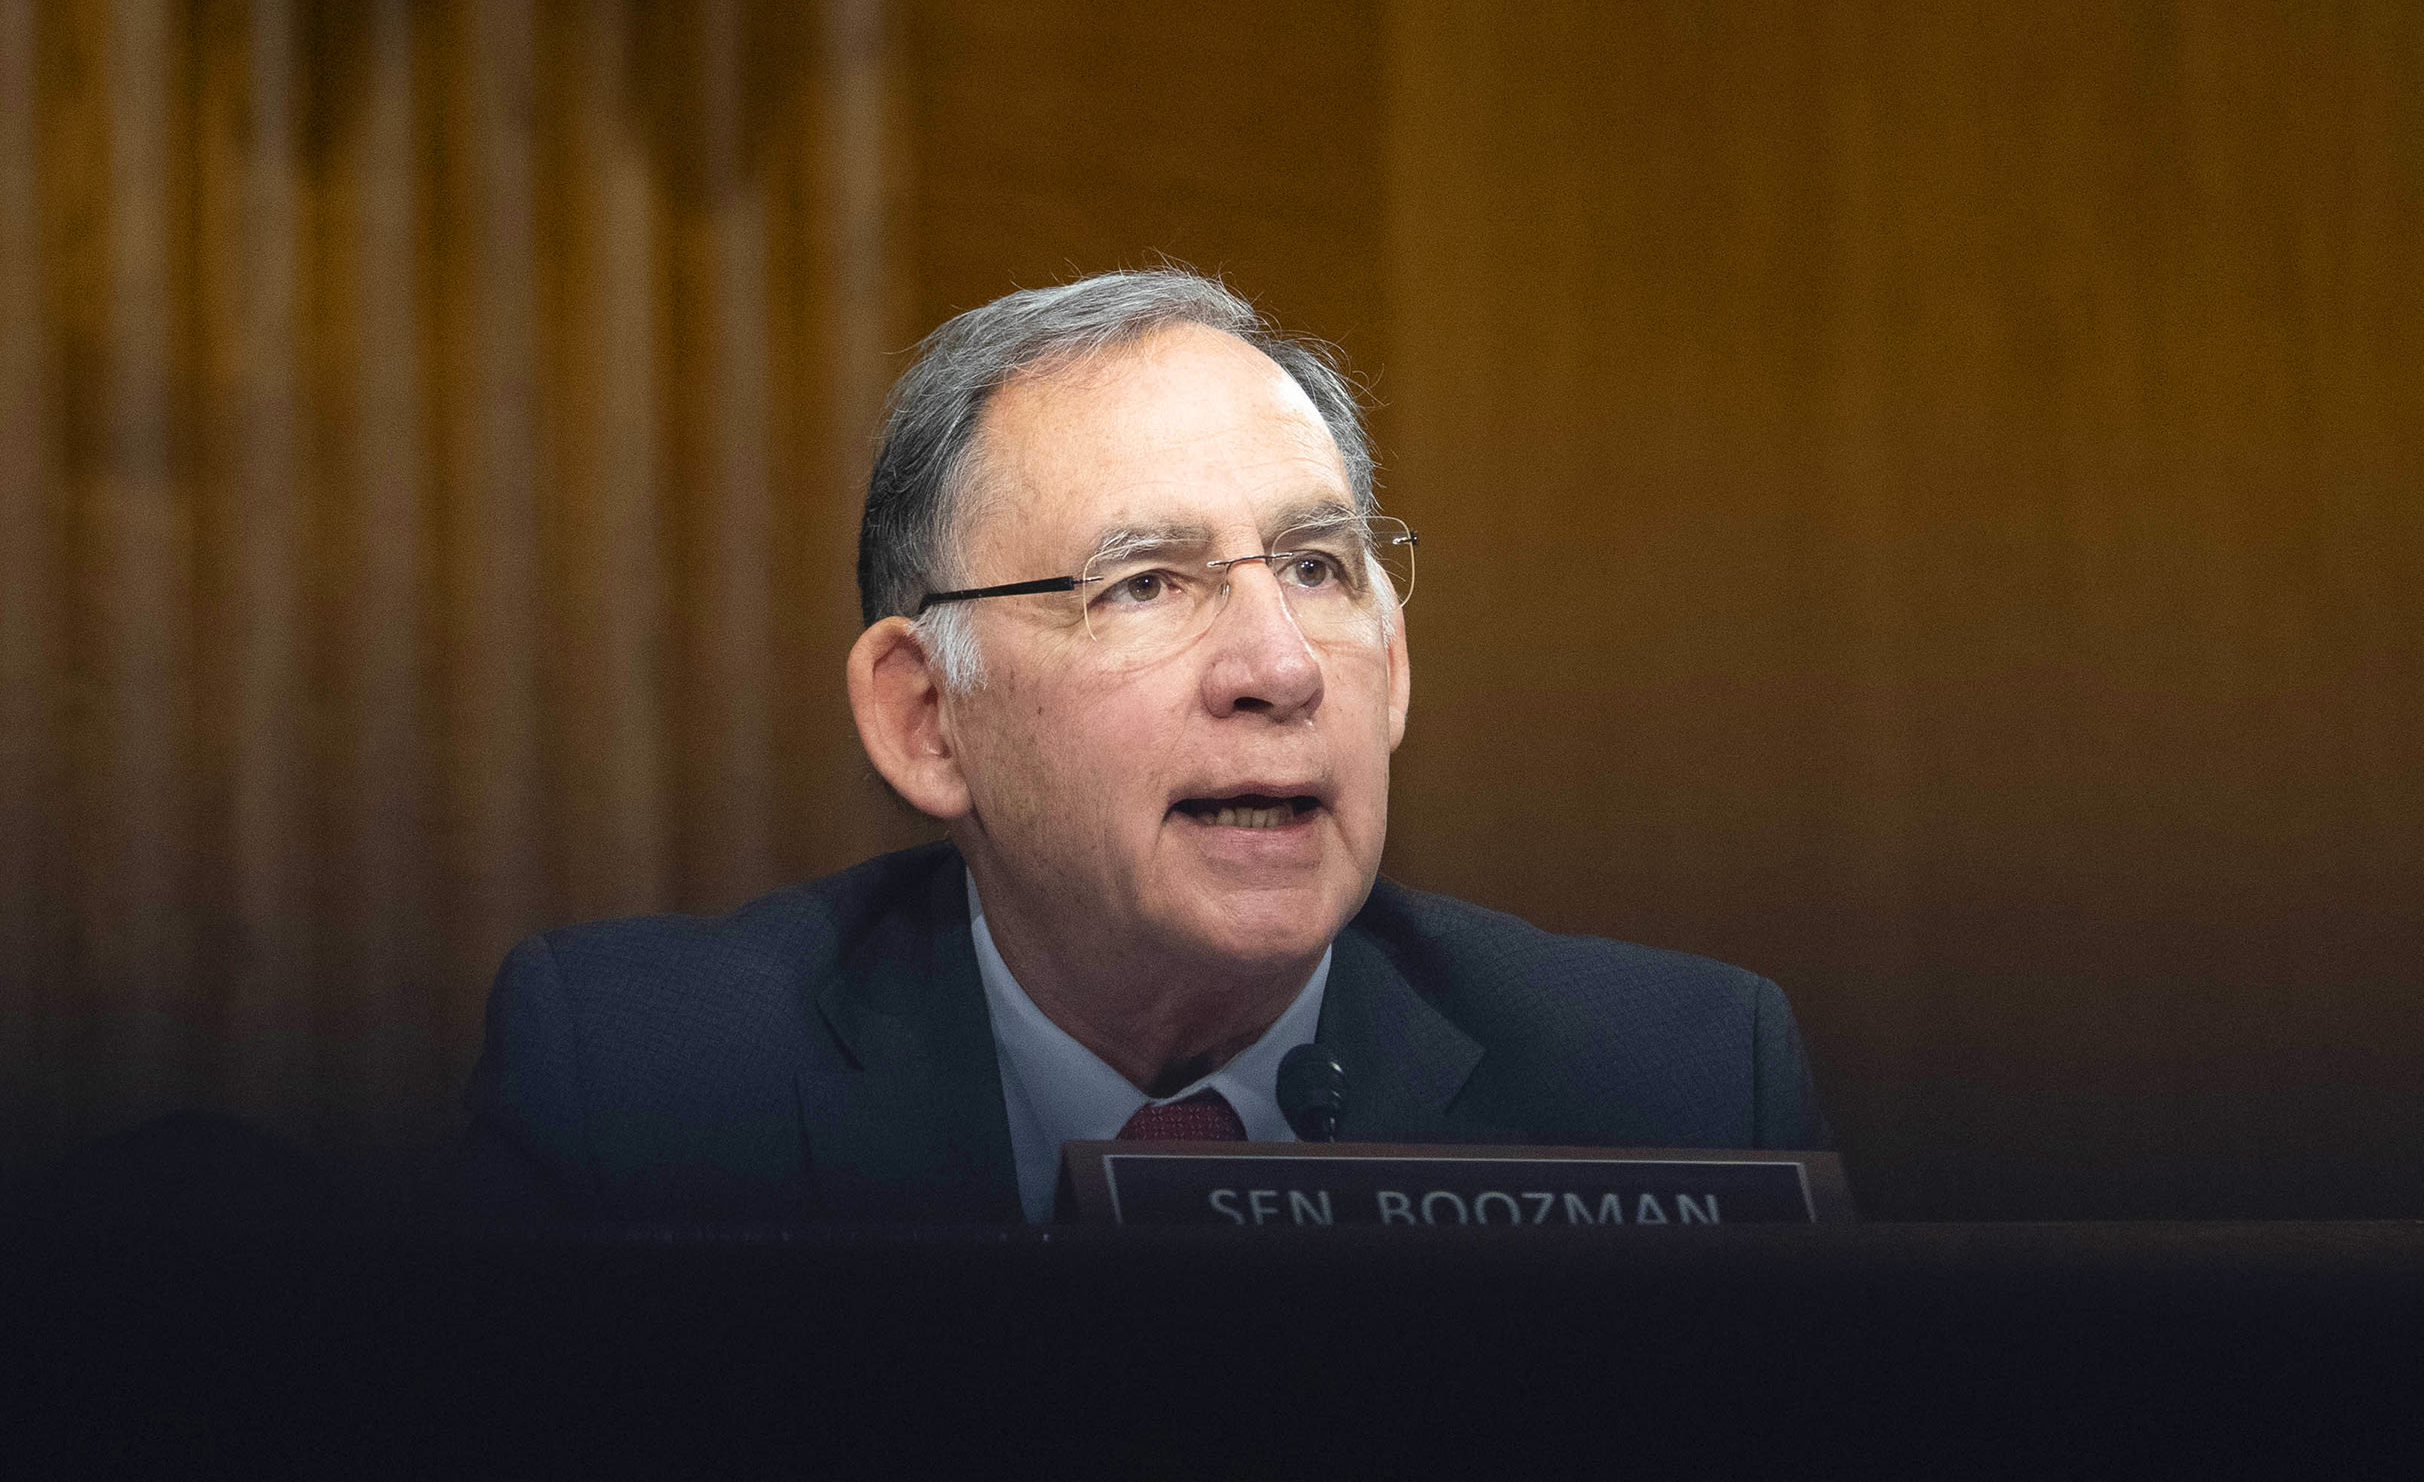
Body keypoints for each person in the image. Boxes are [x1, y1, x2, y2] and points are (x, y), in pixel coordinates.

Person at [460, 269, 1830, 1223]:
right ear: (925, 718)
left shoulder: (1676, 1087)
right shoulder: (647, 1094)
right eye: (1145, 585)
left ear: (1395, 666)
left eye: (1315, 567)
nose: (1280, 669)